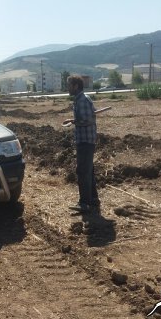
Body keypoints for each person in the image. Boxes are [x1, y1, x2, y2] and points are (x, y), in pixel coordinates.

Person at [63, 75, 101, 215]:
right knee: (88, 170)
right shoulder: (80, 99)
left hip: (85, 141)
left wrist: (75, 122)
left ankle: (85, 204)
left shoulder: (83, 100)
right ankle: (93, 199)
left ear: (76, 86)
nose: (67, 88)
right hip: (86, 140)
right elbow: (85, 118)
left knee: (83, 172)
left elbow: (88, 120)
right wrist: (73, 120)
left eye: (69, 85)